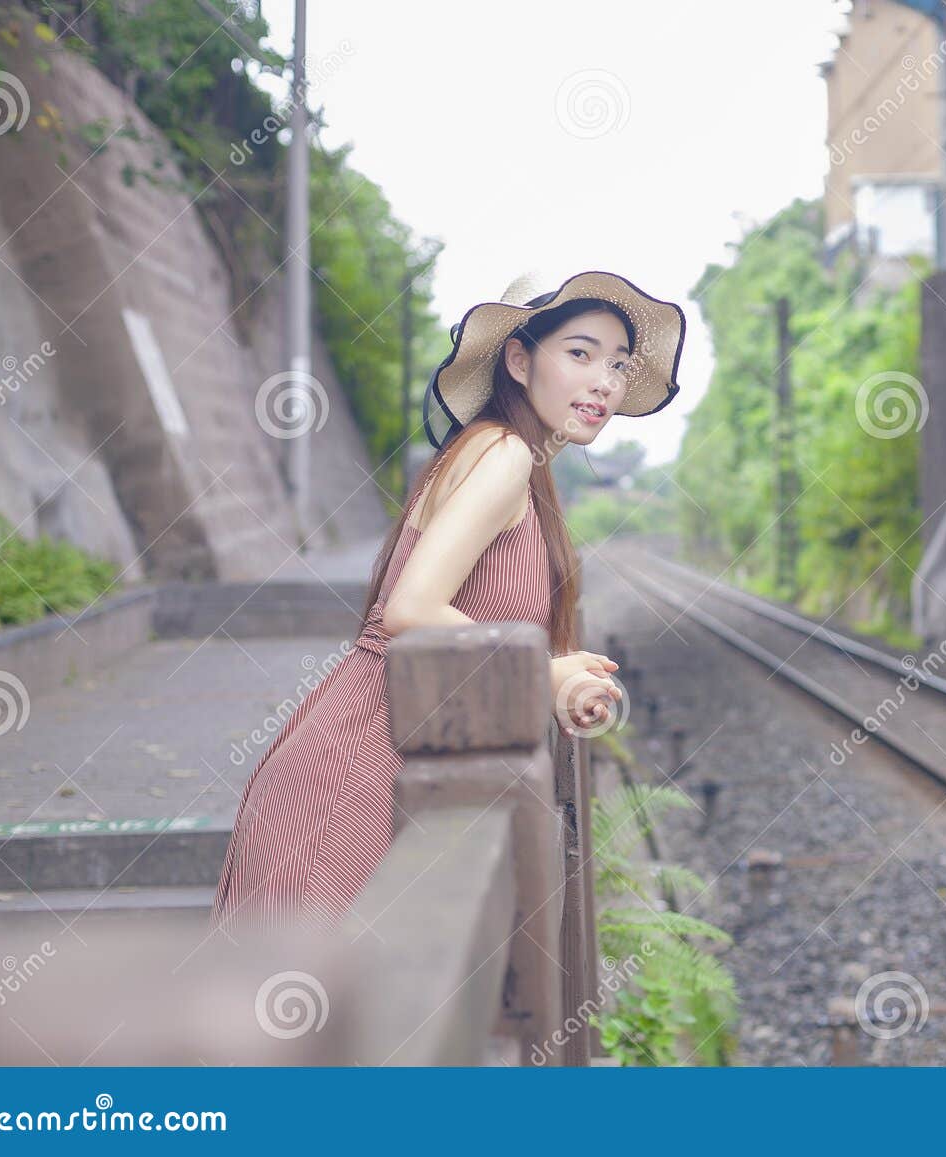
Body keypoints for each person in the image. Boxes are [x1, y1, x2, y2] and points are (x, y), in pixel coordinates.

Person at [210, 269, 686, 934]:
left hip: (384, 750)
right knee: (314, 1011)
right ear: (519, 359)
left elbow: (473, 610)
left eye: (618, 363)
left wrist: (561, 662)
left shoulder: (513, 458)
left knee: (336, 1014)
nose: (605, 380)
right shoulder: (504, 454)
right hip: (357, 766)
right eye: (580, 353)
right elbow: (409, 609)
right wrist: (540, 670)